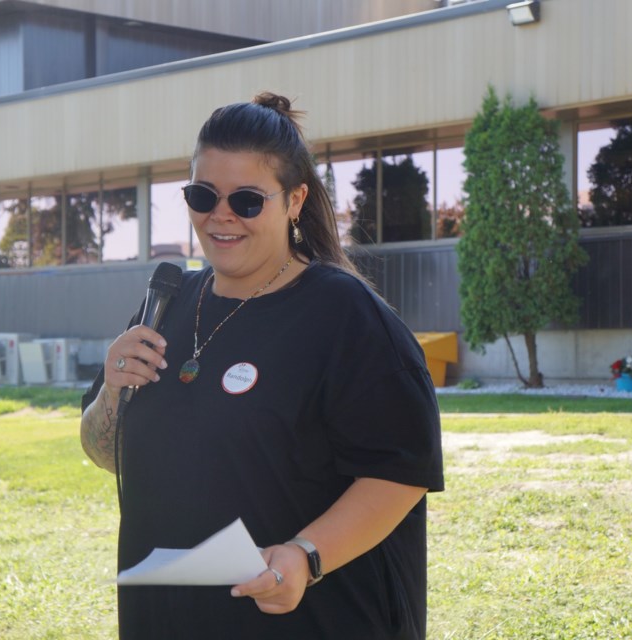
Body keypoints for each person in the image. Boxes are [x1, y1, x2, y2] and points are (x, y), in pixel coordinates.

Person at [80, 92, 444, 639]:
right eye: (203, 195)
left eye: (247, 200)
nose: (220, 215)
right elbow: (107, 453)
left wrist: (305, 555)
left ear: (295, 200)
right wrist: (112, 391)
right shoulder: (168, 302)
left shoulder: (345, 315)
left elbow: (399, 473)